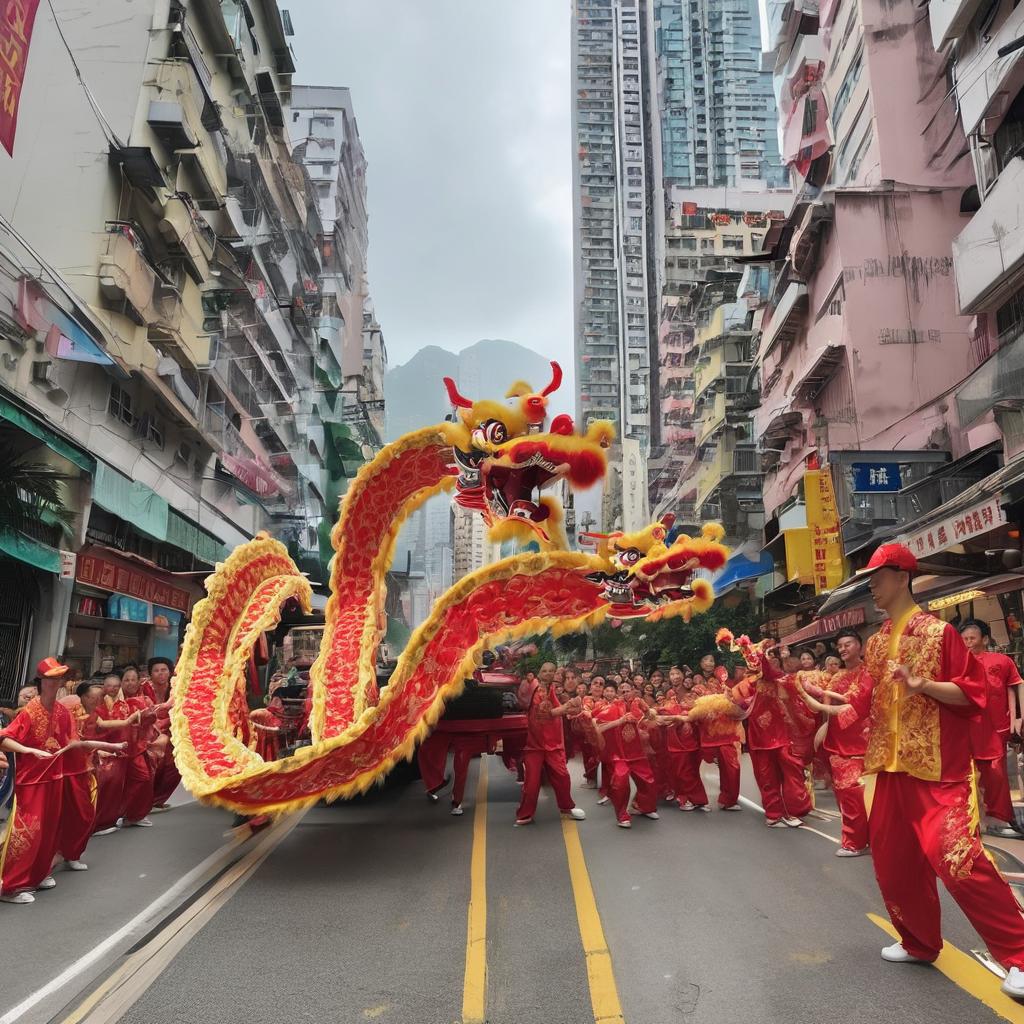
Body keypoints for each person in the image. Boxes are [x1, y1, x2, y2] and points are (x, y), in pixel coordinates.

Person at [858, 543, 1024, 999]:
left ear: (901, 576)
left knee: (957, 860)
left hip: (939, 769)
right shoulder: (874, 642)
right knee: (894, 864)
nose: (871, 584)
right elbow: (866, 702)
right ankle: (919, 941)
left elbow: (972, 694)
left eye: (877, 576)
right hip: (890, 770)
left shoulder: (938, 634)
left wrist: (922, 684)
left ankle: (1020, 954)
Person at [0, 659, 121, 904]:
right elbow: (4, 739)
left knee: (49, 830)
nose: (56, 683)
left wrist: (105, 747)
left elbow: (72, 744)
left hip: (55, 777)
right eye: (52, 679)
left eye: (59, 679)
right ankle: (12, 886)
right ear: (41, 681)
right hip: (32, 781)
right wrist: (28, 751)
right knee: (29, 832)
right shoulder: (29, 712)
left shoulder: (62, 712)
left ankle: (39, 872)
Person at [798, 630, 875, 855]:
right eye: (840, 645)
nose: (843, 649)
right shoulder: (838, 677)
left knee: (856, 794)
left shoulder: (869, 673)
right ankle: (858, 839)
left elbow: (856, 707)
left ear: (859, 647)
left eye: (848, 644)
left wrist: (819, 700)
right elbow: (828, 711)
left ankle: (857, 841)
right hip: (837, 743)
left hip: (863, 743)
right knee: (844, 795)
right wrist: (823, 723)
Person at [731, 647, 811, 828]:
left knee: (792, 773)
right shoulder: (746, 685)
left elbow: (768, 670)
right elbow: (739, 706)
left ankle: (793, 810)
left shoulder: (778, 678)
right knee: (766, 776)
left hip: (781, 735)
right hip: (759, 738)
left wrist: (753, 650)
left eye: (773, 657)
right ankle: (774, 814)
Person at [960, 619, 1022, 839]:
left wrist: (1017, 718)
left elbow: (1014, 687)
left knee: (996, 774)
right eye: (964, 639)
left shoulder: (1001, 661)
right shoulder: (957, 665)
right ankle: (971, 820)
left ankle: (999, 818)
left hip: (995, 728)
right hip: (965, 729)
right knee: (966, 776)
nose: (968, 643)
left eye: (972, 638)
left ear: (985, 639)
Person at [58, 681, 127, 871]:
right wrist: (108, 747)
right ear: (84, 697)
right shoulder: (70, 712)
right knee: (67, 816)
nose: (98, 701)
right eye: (95, 697)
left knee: (85, 814)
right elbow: (77, 742)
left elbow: (100, 729)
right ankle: (54, 859)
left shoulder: (92, 714)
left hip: (86, 770)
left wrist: (129, 722)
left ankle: (72, 853)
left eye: (99, 697)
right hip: (68, 773)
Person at [514, 663, 586, 827]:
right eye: (544, 671)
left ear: (555, 673)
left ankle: (567, 807)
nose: (548, 673)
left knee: (563, 777)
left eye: (551, 671)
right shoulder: (538, 690)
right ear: (539, 673)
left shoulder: (552, 688)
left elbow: (558, 709)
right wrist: (568, 707)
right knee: (531, 783)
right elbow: (548, 713)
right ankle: (525, 813)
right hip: (535, 745)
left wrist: (570, 708)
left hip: (553, 744)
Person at [593, 680, 659, 828]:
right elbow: (597, 726)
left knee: (648, 781)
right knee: (620, 783)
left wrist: (648, 712)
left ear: (634, 691)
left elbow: (650, 718)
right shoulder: (611, 708)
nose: (625, 693)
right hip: (619, 755)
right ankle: (622, 815)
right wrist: (619, 721)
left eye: (627, 690)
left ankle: (644, 807)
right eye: (621, 690)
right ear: (618, 694)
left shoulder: (638, 705)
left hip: (637, 753)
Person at [692, 656, 743, 811]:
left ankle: (728, 800)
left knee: (732, 767)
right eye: (705, 660)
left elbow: (735, 699)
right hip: (706, 732)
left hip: (726, 731)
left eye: (712, 661)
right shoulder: (696, 685)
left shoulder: (723, 683)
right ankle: (692, 798)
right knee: (690, 765)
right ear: (700, 664)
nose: (709, 663)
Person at [656, 666, 708, 811]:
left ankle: (697, 799)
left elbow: (701, 711)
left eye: (677, 673)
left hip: (692, 736)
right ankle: (685, 798)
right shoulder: (669, 695)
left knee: (691, 770)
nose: (674, 676)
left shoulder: (693, 693)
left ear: (683, 675)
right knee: (681, 770)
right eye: (671, 674)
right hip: (675, 738)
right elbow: (663, 711)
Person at [145, 657, 181, 810]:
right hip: (149, 730)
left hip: (172, 730)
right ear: (151, 674)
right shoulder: (144, 688)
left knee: (175, 766)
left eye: (164, 670)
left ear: (170, 672)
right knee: (152, 766)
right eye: (156, 670)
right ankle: (145, 801)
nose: (160, 674)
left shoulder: (176, 687)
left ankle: (158, 799)